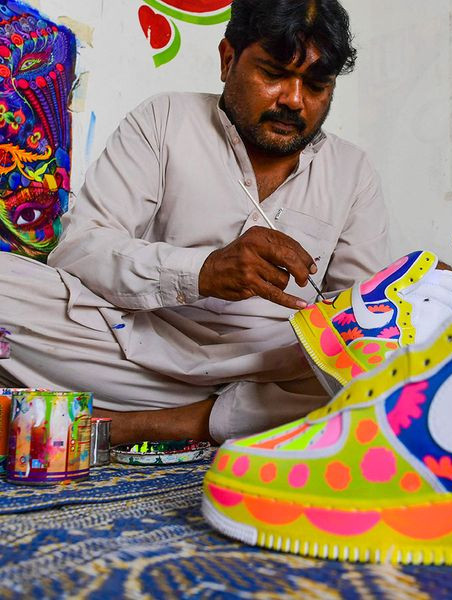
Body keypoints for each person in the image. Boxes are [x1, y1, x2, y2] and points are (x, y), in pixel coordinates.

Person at [0, 0, 390, 444]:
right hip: (135, 350)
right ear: (228, 60)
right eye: (274, 74)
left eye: (316, 85)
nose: (294, 100)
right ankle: (217, 420)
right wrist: (202, 271)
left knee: (395, 366)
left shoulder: (353, 171)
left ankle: (152, 424)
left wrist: (406, 302)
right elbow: (80, 249)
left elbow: (359, 323)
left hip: (271, 374)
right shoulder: (163, 120)